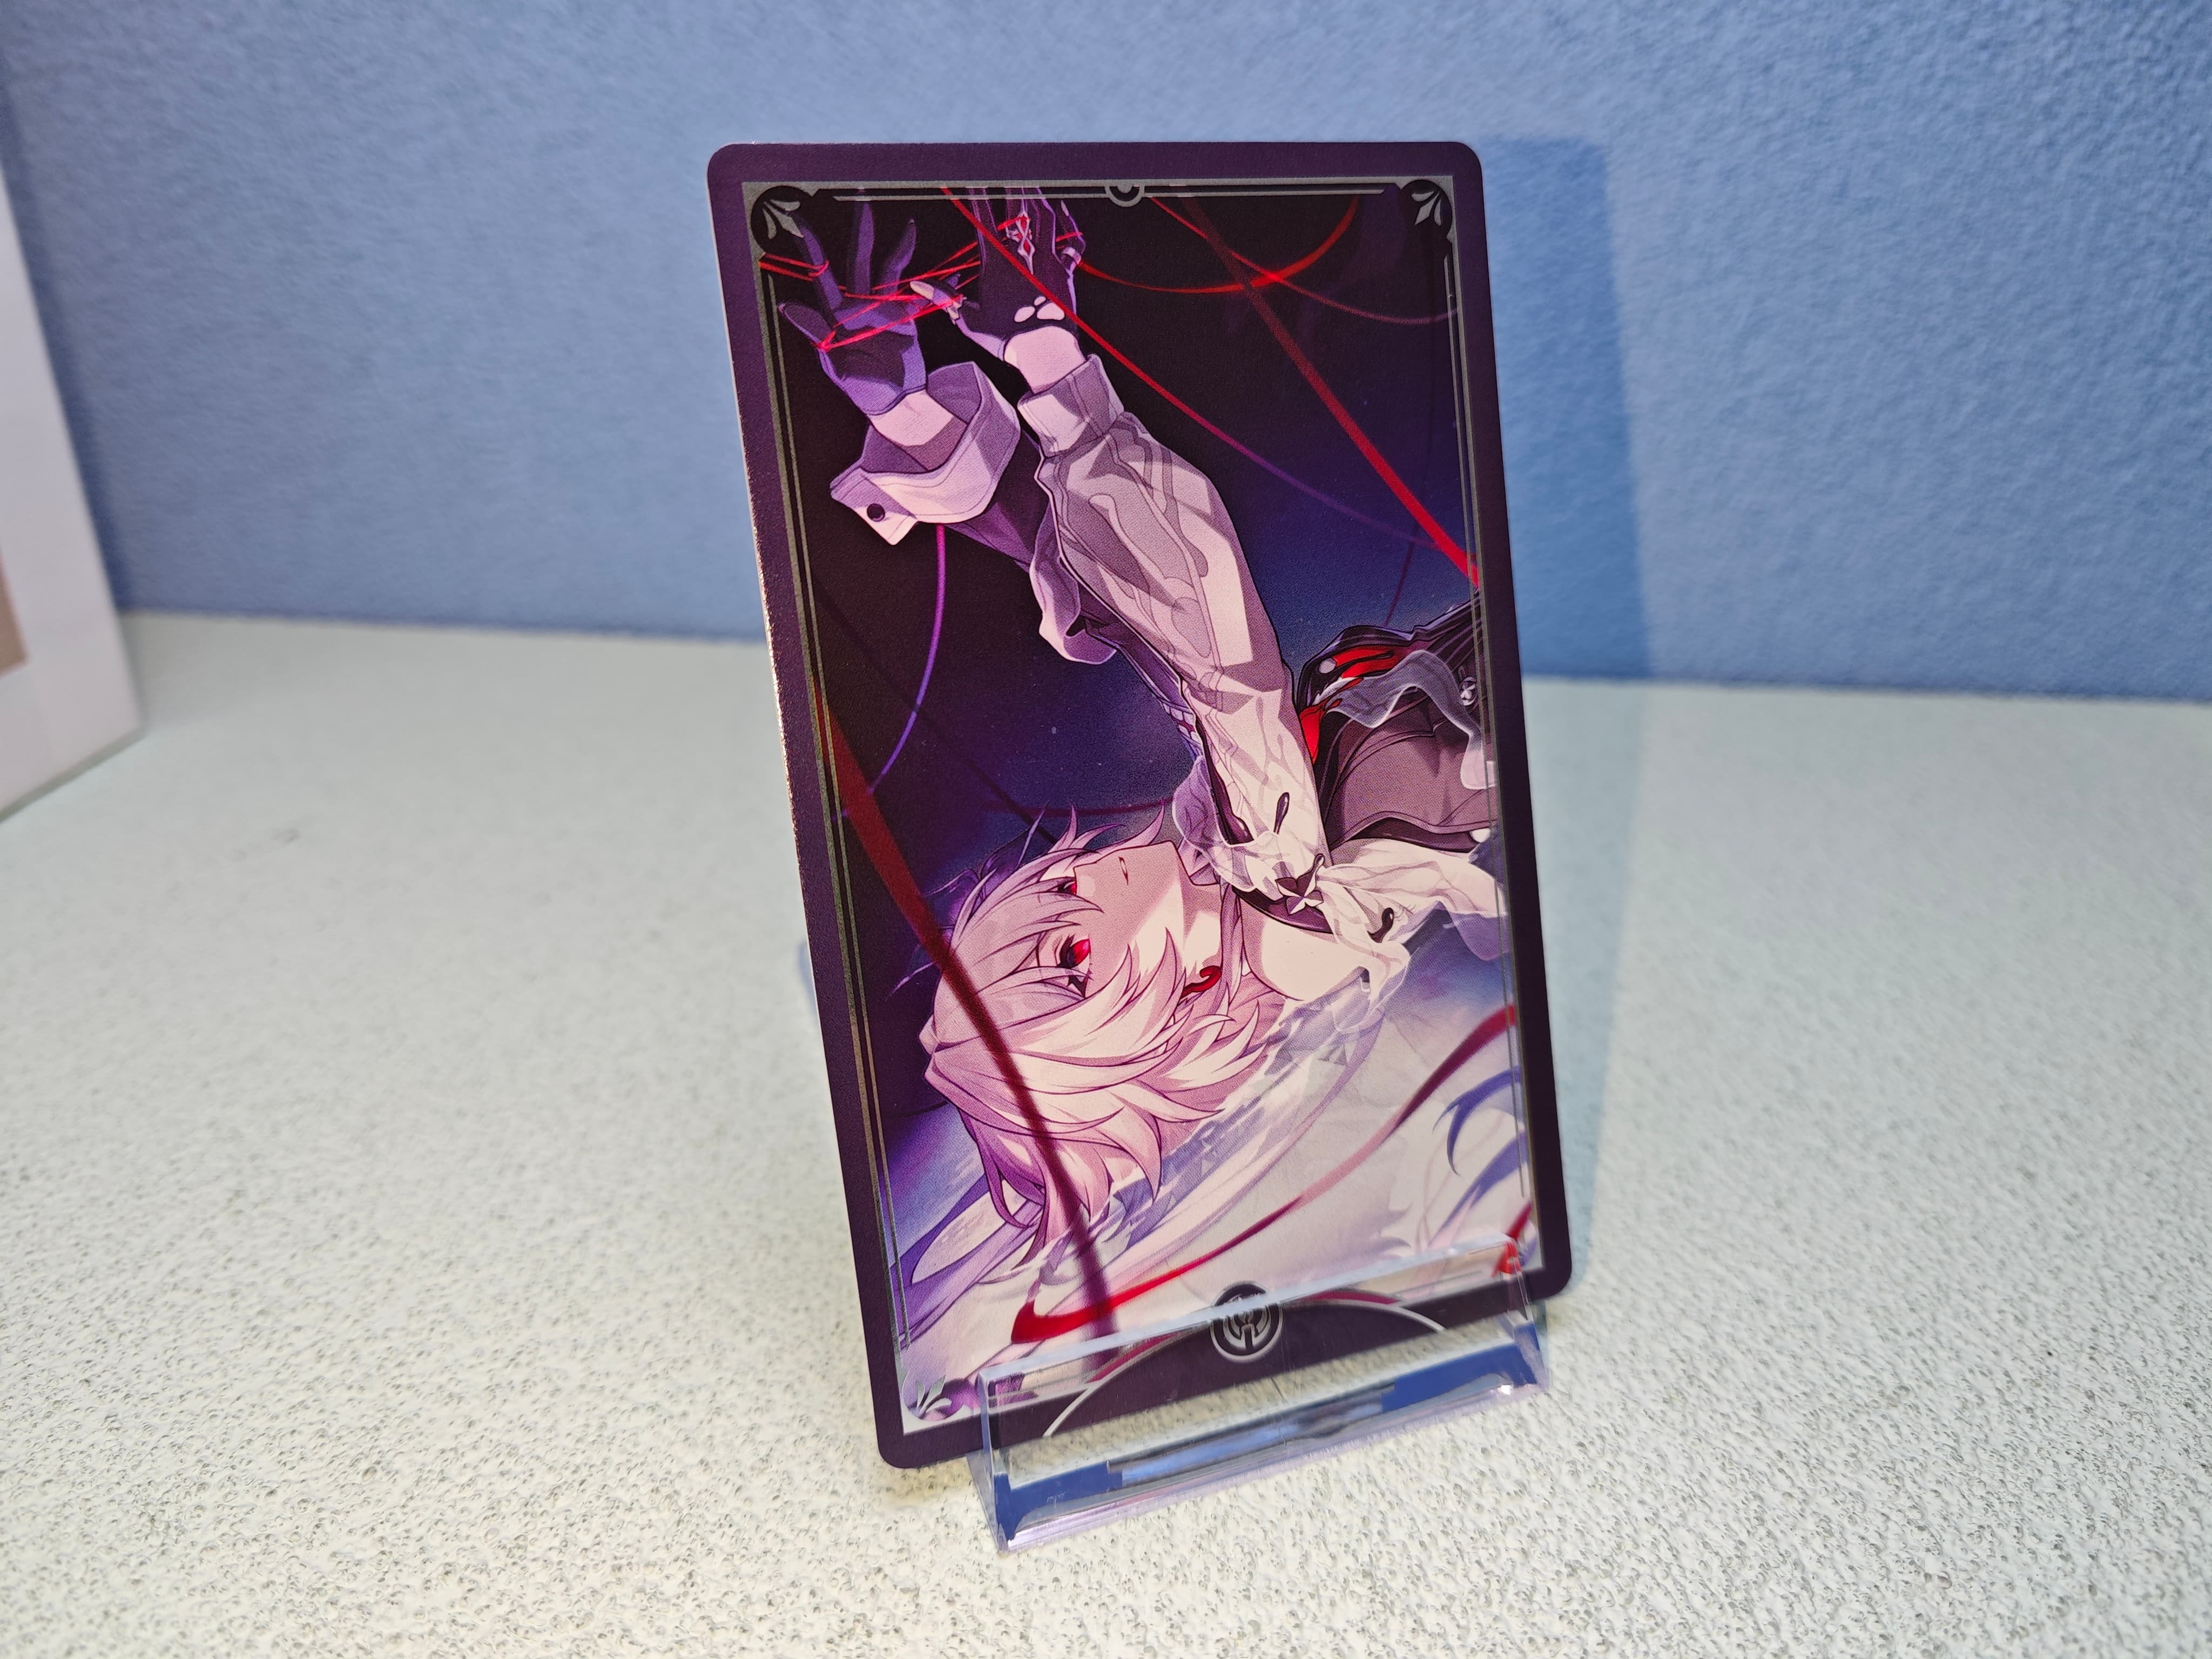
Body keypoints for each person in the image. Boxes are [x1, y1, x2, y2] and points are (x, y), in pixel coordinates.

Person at [780, 192, 1524, 1419]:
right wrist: (1051, 368)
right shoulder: (1281, 894)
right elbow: (1204, 637)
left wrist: (916, 413)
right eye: (1070, 958)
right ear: (1136, 1048)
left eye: (1050, 902)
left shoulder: (1236, 886)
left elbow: (1115, 590)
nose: (1083, 877)